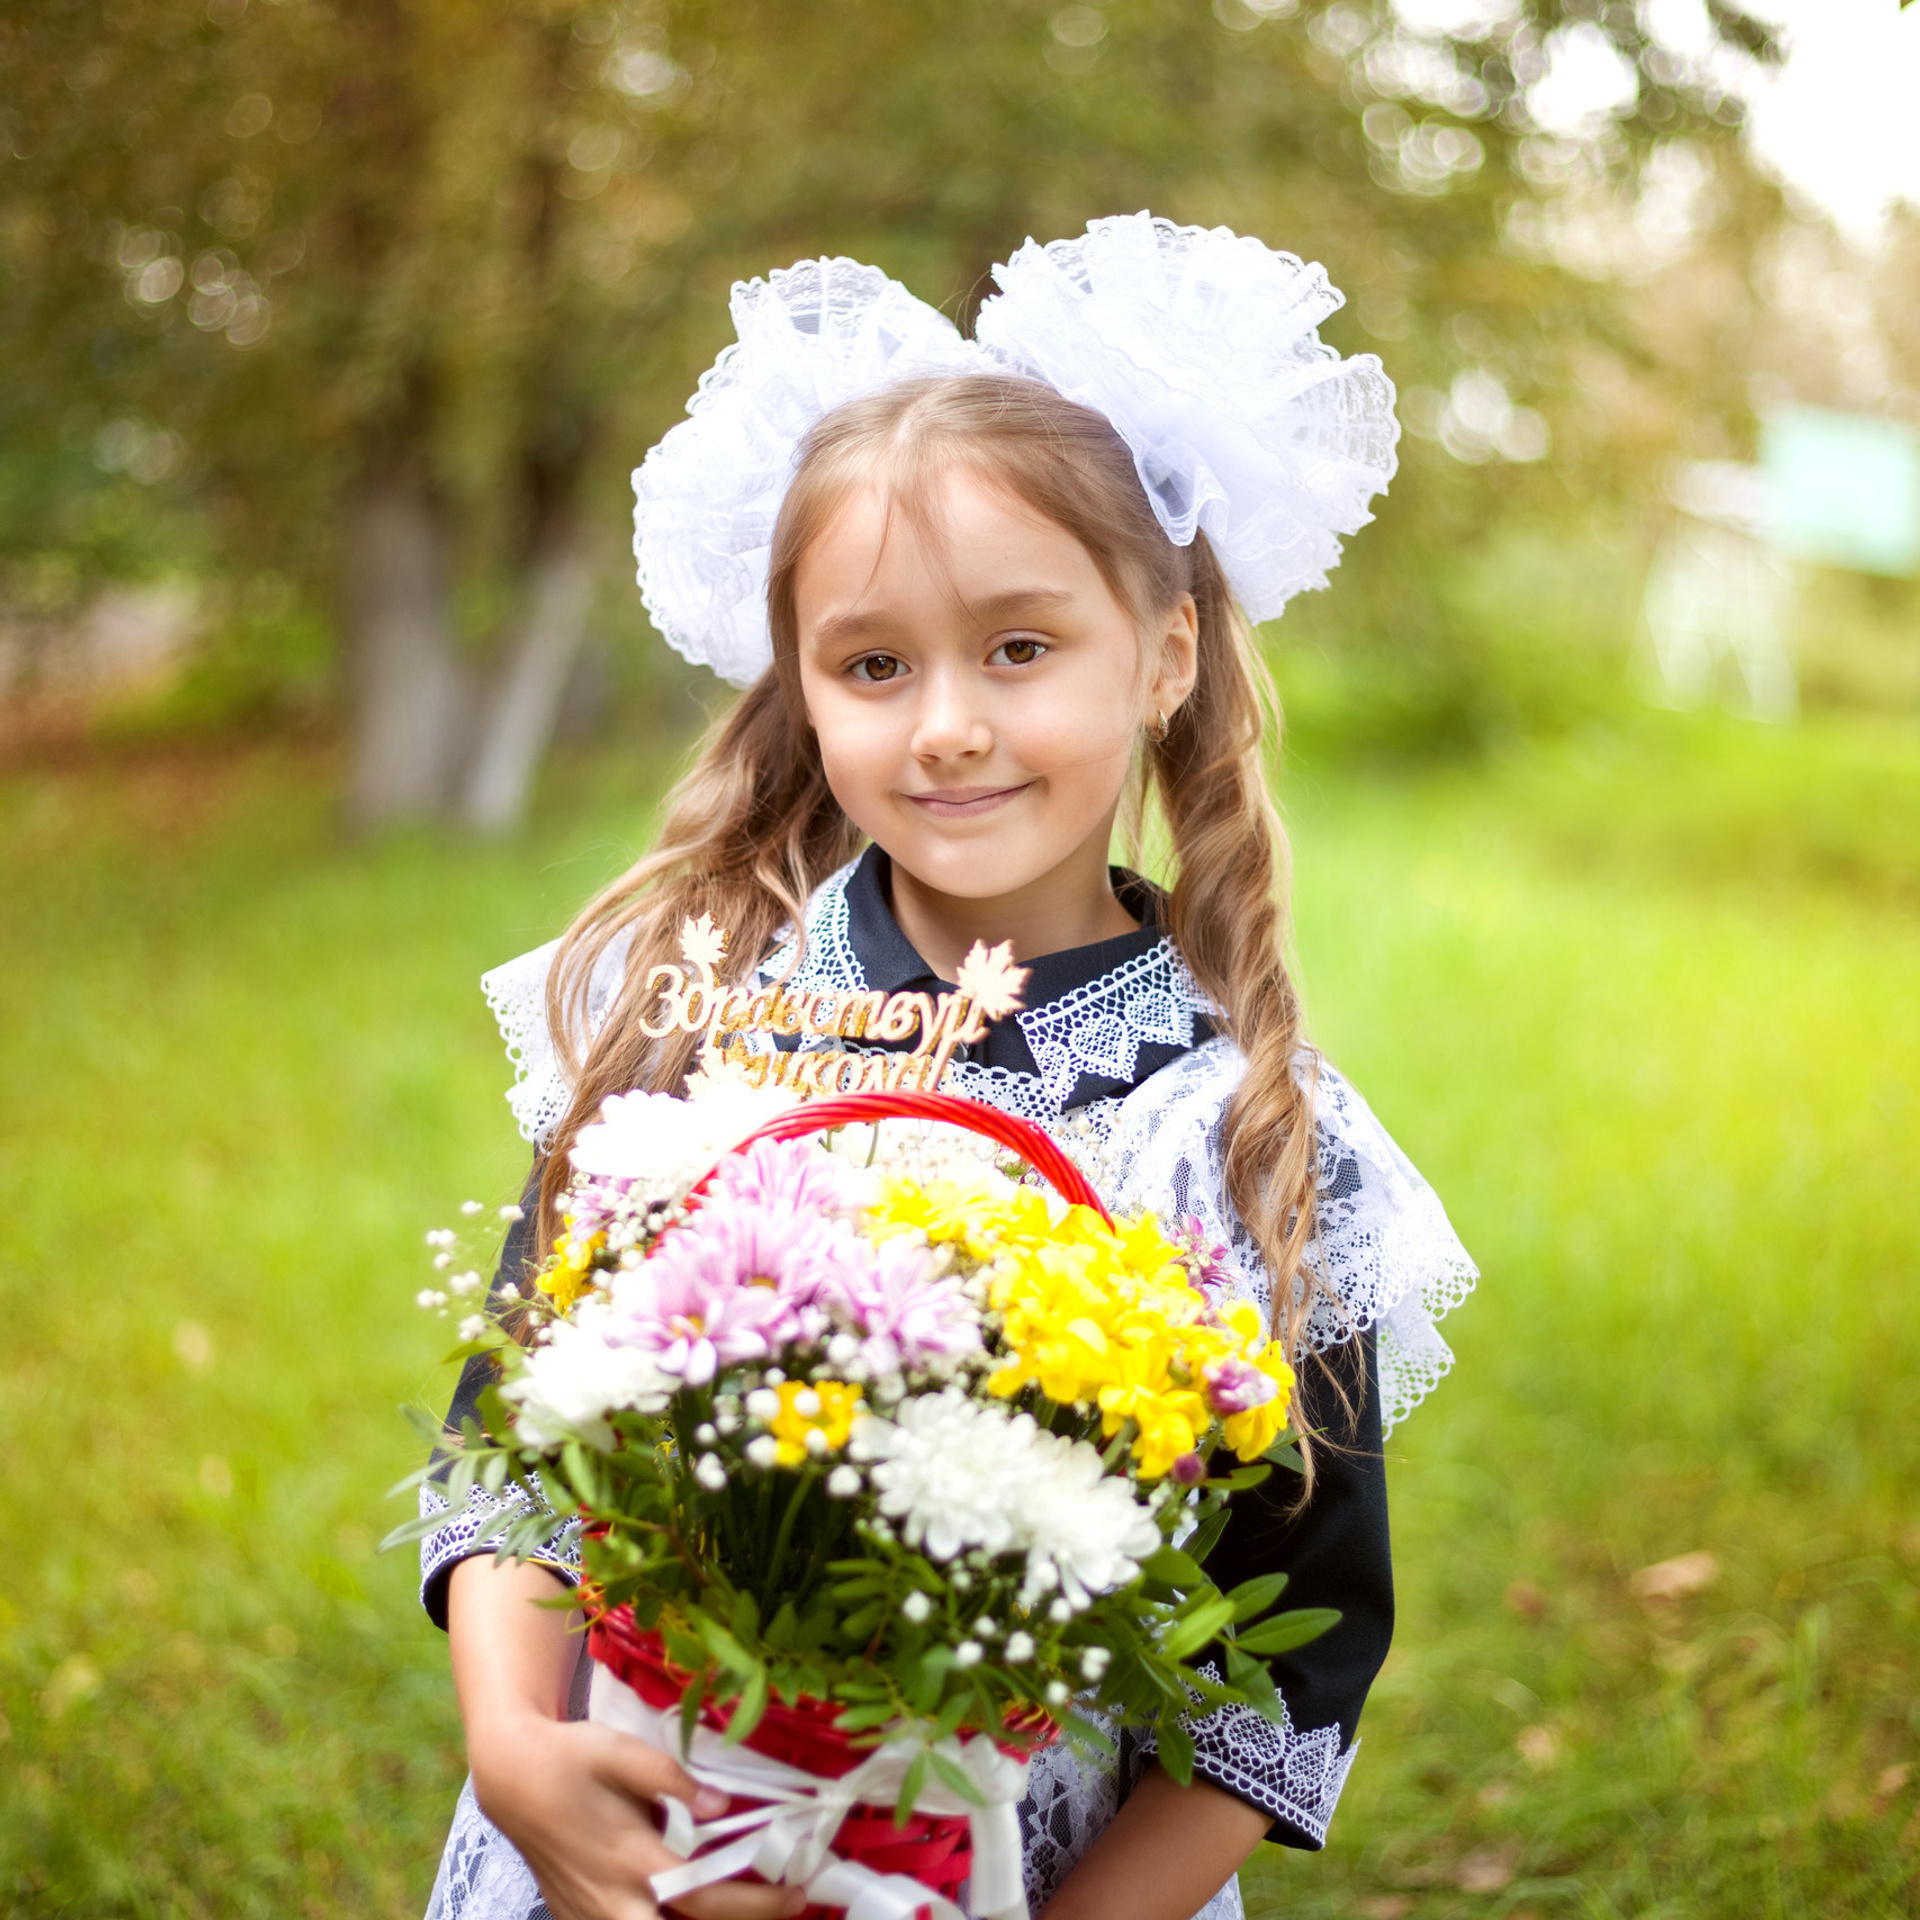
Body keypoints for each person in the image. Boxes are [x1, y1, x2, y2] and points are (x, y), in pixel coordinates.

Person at [419, 213, 1477, 1920]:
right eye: (873, 664)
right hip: (637, 1843)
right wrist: (511, 1744)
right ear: (805, 689)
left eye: (1020, 647)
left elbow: (1289, 1665)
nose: (948, 725)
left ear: (1167, 653)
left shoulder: (1248, 1140)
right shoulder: (693, 1013)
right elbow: (520, 1431)